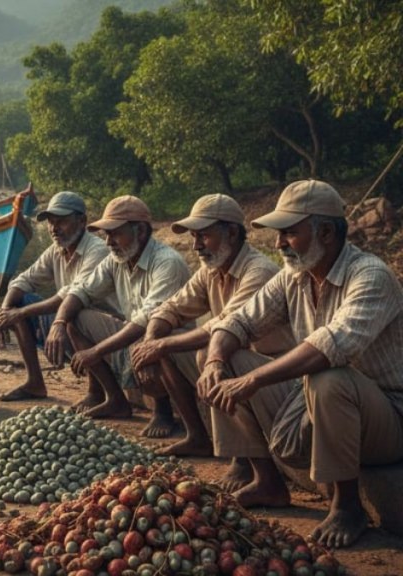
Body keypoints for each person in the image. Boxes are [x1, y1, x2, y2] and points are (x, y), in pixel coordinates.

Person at [201, 179, 403, 548]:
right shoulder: (293, 277)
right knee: (222, 357)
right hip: (313, 399)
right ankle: (267, 479)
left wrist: (255, 380)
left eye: (289, 234)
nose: (278, 244)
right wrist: (215, 359)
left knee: (329, 378)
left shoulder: (371, 276)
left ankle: (347, 506)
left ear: (325, 232)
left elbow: (330, 346)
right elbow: (236, 322)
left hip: (387, 414)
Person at [129, 195, 297, 489]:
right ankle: (198, 437)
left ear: (232, 232)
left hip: (274, 373)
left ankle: (258, 471)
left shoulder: (259, 271)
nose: (196, 246)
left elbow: (224, 325)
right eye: (194, 237)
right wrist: (152, 339)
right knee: (171, 343)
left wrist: (159, 346)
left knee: (213, 356)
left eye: (203, 236)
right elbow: (171, 308)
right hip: (240, 370)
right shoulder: (210, 271)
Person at [46, 195, 193, 437]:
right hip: (135, 335)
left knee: (153, 341)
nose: (109, 241)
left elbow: (148, 320)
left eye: (115, 233)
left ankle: (163, 410)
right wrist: (59, 323)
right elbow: (80, 291)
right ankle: (115, 399)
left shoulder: (167, 262)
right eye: (106, 234)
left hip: (168, 341)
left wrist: (96, 351)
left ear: (141, 231)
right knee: (76, 318)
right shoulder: (116, 259)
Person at [0, 191, 116, 401]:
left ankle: (96, 392)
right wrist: (5, 312)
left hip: (101, 327)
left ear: (82, 221)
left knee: (75, 315)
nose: (54, 228)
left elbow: (73, 295)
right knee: (16, 304)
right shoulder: (57, 249)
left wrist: (21, 313)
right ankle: (35, 383)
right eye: (50, 222)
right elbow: (24, 280)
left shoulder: (97, 251)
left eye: (62, 221)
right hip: (68, 319)